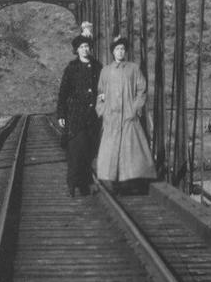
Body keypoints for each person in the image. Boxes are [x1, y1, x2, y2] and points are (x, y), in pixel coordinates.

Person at [95, 36, 156, 193]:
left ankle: (129, 183)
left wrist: (134, 109)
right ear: (112, 52)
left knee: (131, 151)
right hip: (112, 118)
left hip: (129, 118)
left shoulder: (133, 69)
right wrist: (102, 111)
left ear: (126, 51)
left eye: (122, 49)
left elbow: (141, 90)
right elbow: (100, 94)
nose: (120, 52)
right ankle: (114, 183)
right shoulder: (106, 71)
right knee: (111, 151)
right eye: (117, 49)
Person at [56, 34, 102, 196]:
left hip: (94, 116)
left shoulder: (97, 66)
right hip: (76, 115)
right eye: (81, 47)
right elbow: (63, 92)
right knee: (76, 149)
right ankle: (73, 183)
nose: (84, 49)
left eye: (87, 47)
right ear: (76, 50)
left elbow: (103, 87)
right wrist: (61, 113)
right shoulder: (71, 68)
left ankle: (85, 182)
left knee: (90, 150)